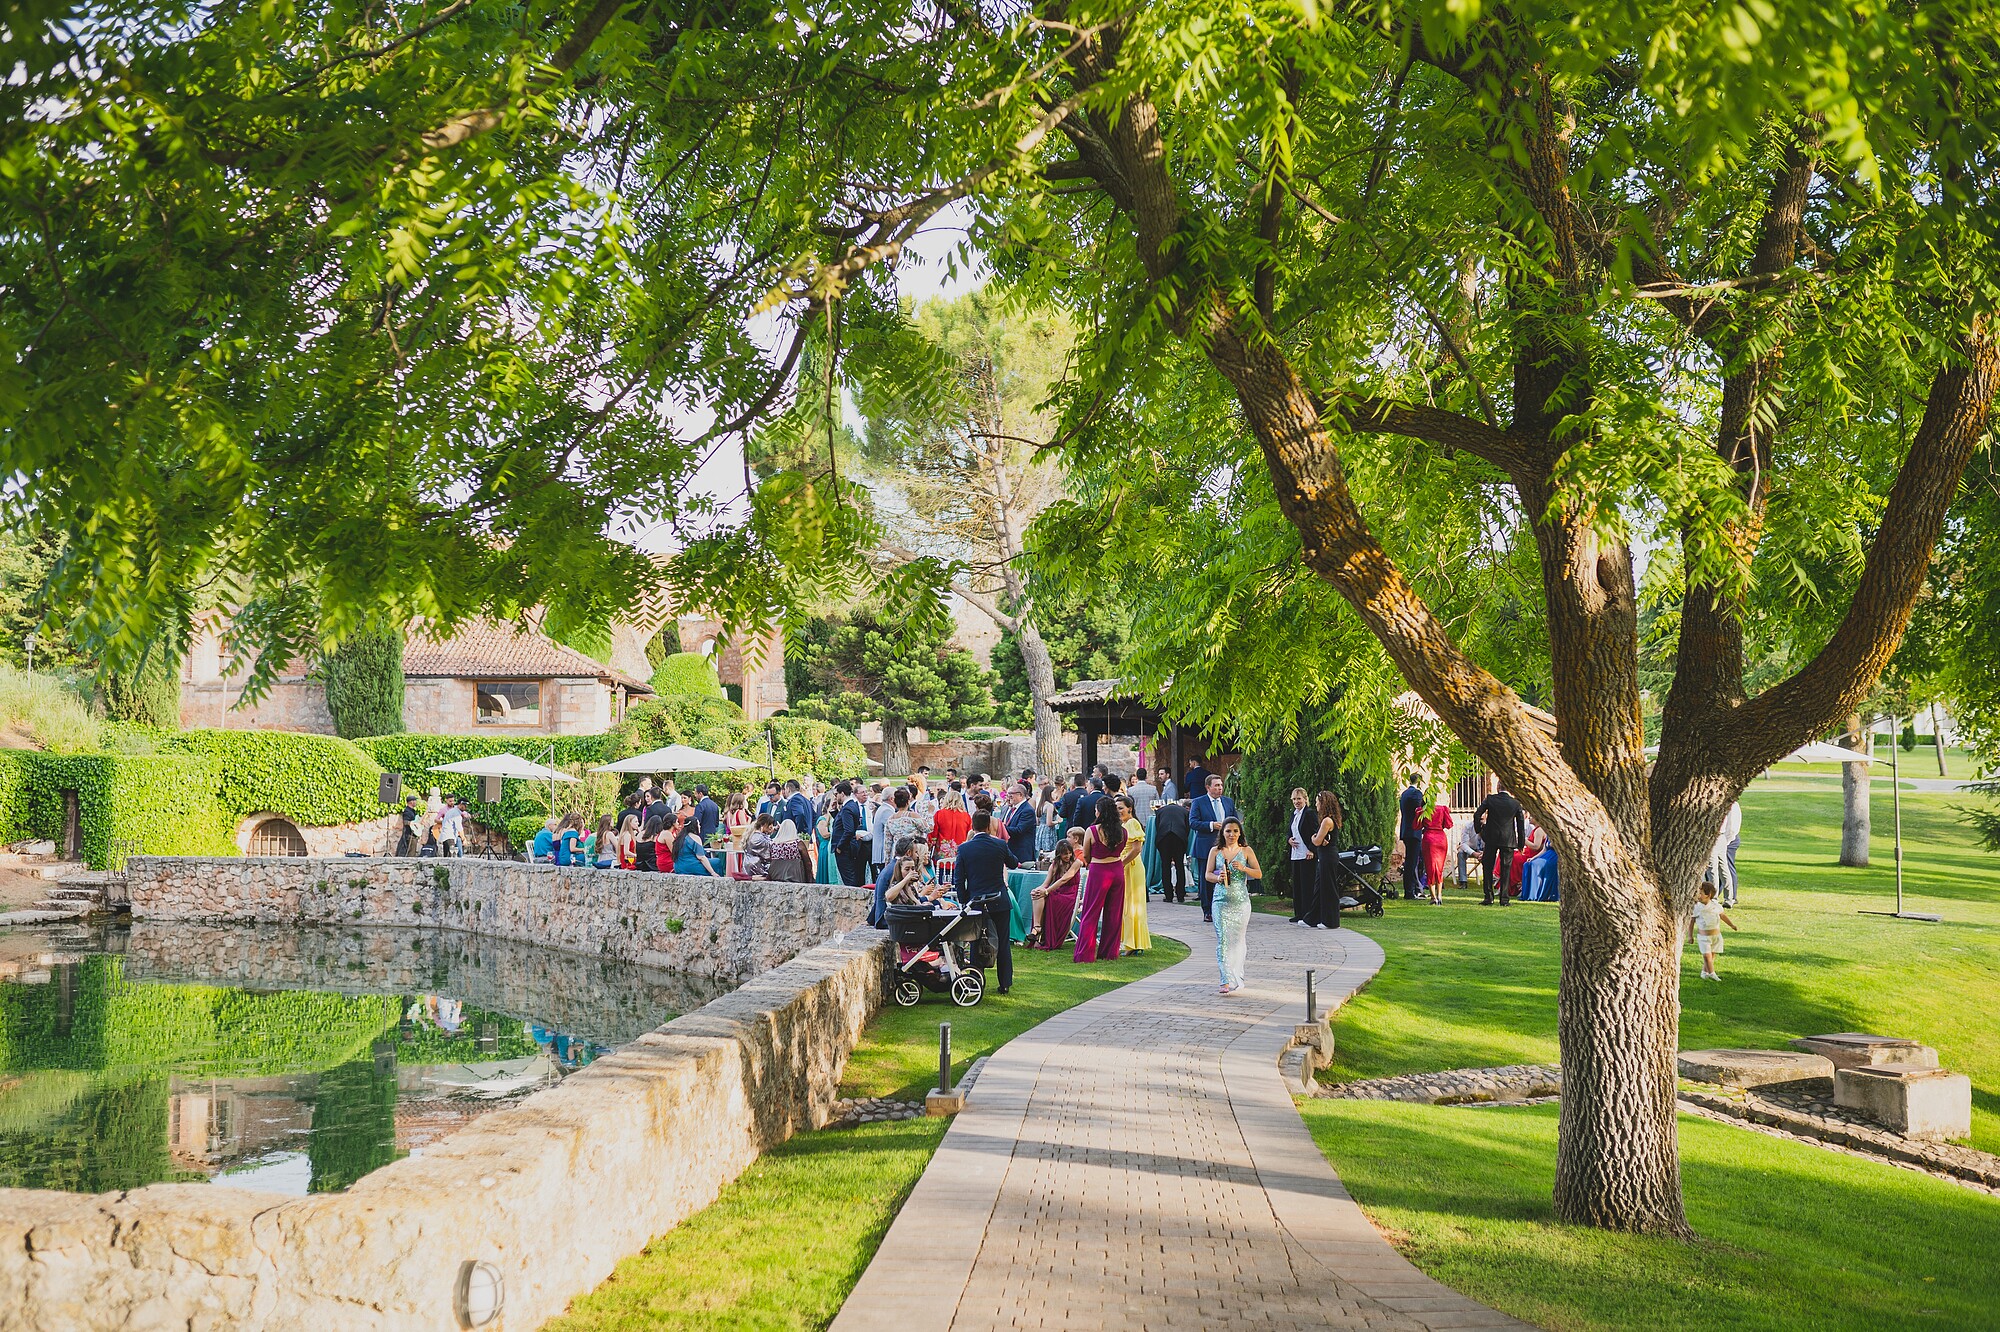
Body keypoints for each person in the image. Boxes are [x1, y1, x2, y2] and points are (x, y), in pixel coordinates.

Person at [952, 809, 1018, 995]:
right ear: (989, 826)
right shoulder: (999, 845)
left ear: (973, 826)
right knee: (1003, 942)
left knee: (975, 942)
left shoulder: (964, 848)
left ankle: (975, 981)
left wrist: (964, 901)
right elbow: (1013, 863)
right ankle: (1005, 982)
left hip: (976, 901)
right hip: (999, 899)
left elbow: (959, 879)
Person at [1206, 817, 1260, 994]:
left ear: (1240, 833)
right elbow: (1207, 874)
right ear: (1222, 833)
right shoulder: (1215, 851)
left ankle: (1237, 976)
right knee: (1222, 939)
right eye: (1228, 831)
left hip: (1240, 902)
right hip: (1220, 901)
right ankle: (1225, 980)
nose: (1232, 834)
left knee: (1237, 941)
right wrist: (1218, 878)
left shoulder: (1246, 851)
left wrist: (1244, 869)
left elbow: (1258, 873)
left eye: (1235, 831)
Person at [1073, 795, 1127, 962]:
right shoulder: (1123, 831)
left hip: (1099, 871)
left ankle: (1085, 953)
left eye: (1096, 810)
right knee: (1114, 913)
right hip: (1117, 871)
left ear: (1100, 812)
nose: (1095, 812)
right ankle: (1109, 952)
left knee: (1091, 911)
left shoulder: (1093, 830)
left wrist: (1092, 861)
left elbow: (1086, 855)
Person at [1189, 774, 1238, 924]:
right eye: (1216, 785)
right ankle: (1208, 911)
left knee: (1228, 877)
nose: (1220, 788)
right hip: (1206, 846)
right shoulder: (1199, 802)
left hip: (1227, 847)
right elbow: (1193, 822)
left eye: (1221, 785)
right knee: (1207, 880)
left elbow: (1235, 820)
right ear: (1208, 787)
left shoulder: (1228, 802)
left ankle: (1226, 908)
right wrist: (1211, 825)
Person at [1473, 785, 1527, 905]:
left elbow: (1477, 814)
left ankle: (1488, 897)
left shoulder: (1490, 799)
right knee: (1506, 869)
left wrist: (1479, 830)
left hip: (1491, 837)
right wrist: (1521, 844)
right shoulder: (1515, 803)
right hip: (1508, 839)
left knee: (1488, 867)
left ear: (1498, 787)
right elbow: (1521, 824)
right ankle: (1504, 899)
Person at [1029, 838, 1082, 948]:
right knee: (1038, 894)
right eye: (1065, 854)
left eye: (1069, 853)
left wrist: (1046, 891)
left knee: (1048, 897)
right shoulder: (1054, 865)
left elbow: (1065, 879)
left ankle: (1038, 932)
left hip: (1071, 894)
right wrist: (1037, 890)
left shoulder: (1076, 863)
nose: (1068, 856)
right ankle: (1037, 928)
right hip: (1058, 891)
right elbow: (1046, 883)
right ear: (1059, 854)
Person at [1115, 794, 1151, 953]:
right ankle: (1129, 941)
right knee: (1125, 904)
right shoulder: (1123, 825)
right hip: (1125, 865)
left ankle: (1133, 944)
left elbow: (1137, 849)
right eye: (1116, 808)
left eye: (1121, 808)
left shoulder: (1133, 823)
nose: (1118, 811)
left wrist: (1121, 863)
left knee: (1132, 905)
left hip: (1132, 866)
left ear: (1129, 808)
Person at [1690, 882, 1738, 980]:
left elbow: (1722, 916)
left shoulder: (1716, 906)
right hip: (1703, 937)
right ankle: (1712, 974)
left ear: (1708, 895)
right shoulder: (1697, 907)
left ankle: (1704, 972)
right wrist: (1690, 936)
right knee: (1707, 956)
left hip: (1715, 936)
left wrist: (1731, 925)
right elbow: (1691, 922)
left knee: (1711, 955)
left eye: (1701, 893)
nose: (1698, 895)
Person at [1311, 790, 1343, 929]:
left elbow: (1317, 841)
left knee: (1328, 888)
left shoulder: (1327, 821)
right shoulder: (1329, 819)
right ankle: (1312, 918)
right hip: (1325, 855)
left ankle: (1330, 921)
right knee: (1319, 887)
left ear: (1323, 803)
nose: (1316, 805)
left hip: (1328, 857)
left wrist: (1313, 837)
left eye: (1317, 802)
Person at [828, 781, 869, 887]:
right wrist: (834, 811)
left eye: (836, 794)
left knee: (849, 878)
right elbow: (842, 823)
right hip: (849, 846)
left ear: (842, 793)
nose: (835, 797)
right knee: (851, 876)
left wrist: (840, 846)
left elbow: (849, 830)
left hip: (845, 848)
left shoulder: (847, 808)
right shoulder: (852, 805)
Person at [1285, 788, 1316, 925]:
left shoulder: (1309, 813)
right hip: (1295, 854)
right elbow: (1289, 831)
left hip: (1306, 854)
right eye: (1294, 799)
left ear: (1305, 799)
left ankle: (1307, 914)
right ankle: (1298, 914)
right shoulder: (1294, 814)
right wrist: (1289, 839)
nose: (1296, 802)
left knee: (1307, 885)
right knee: (1297, 885)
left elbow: (1315, 832)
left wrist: (1312, 849)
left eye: (1299, 799)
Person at [1153, 795, 1190, 904]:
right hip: (1179, 837)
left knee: (1165, 866)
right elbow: (1187, 828)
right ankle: (1180, 895)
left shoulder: (1160, 811)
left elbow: (1157, 827)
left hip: (1164, 837)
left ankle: (1168, 895)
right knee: (1179, 866)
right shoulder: (1184, 811)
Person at [1419, 794, 1453, 905]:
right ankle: (1439, 895)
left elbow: (1416, 826)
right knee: (1439, 869)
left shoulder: (1423, 811)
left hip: (1429, 839)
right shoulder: (1442, 809)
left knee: (1430, 868)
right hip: (1441, 839)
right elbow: (1449, 824)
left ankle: (1433, 897)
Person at [1398, 772, 1426, 900]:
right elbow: (1421, 809)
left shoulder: (1404, 794)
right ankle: (1410, 892)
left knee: (1411, 861)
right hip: (1414, 832)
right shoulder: (1417, 794)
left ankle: (1414, 889)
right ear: (1419, 781)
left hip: (1406, 830)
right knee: (1412, 862)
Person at [1712, 800, 1744, 906]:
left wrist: (1726, 842)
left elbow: (1732, 828)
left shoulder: (1731, 805)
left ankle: (1727, 897)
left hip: (1726, 839)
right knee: (1721, 868)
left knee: (1721, 868)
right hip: (1723, 838)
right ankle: (1726, 896)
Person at [1004, 781, 1039, 863]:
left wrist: (1001, 827)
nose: (1008, 797)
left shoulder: (1027, 811)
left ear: (1020, 795)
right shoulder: (1012, 809)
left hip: (1021, 853)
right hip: (1011, 851)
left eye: (1011, 794)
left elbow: (1019, 830)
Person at [932, 784, 972, 850]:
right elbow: (969, 834)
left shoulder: (939, 814)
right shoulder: (966, 816)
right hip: (961, 848)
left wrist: (932, 844)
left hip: (943, 848)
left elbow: (934, 833)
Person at [741, 812, 778, 879]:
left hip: (750, 865)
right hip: (756, 867)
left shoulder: (755, 834)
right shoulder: (758, 838)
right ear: (764, 824)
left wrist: (774, 829)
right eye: (770, 824)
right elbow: (770, 846)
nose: (771, 826)